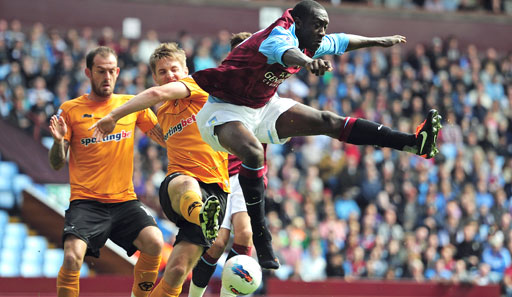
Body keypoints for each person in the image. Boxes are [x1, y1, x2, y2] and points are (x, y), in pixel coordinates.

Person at [191, 0, 442, 269]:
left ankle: (414, 144)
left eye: (325, 25)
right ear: (298, 23)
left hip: (261, 107)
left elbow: (342, 41)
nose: (322, 31)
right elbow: (287, 53)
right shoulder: (276, 35)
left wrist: (378, 41)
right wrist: (309, 62)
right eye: (318, 25)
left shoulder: (309, 38)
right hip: (223, 111)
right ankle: (261, 236)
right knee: (253, 151)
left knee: (328, 120)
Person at [90, 42, 229, 297]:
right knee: (186, 183)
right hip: (179, 187)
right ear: (155, 77)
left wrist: (114, 115)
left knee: (176, 271)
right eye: (162, 72)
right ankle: (202, 216)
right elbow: (165, 137)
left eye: (174, 69)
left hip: (216, 188)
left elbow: (153, 96)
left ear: (186, 70)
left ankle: (203, 217)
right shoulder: (164, 111)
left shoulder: (197, 87)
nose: (169, 76)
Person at [48, 46, 164, 297]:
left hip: (125, 202)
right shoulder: (70, 110)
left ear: (118, 71)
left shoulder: (131, 105)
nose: (107, 77)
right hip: (86, 203)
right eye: (101, 71)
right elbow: (57, 163)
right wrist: (58, 143)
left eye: (112, 71)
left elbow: (165, 139)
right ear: (88, 72)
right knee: (71, 258)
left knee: (155, 241)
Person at [188, 32, 261, 297]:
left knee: (244, 236)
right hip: (218, 173)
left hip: (246, 175)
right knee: (216, 244)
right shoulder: (217, 85)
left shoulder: (263, 85)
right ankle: (195, 295)